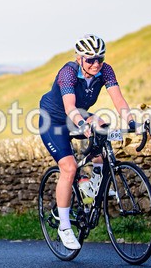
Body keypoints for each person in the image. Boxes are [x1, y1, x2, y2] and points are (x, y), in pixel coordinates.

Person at [38, 34, 136, 250]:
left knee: (102, 128)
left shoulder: (106, 71)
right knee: (69, 167)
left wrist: (131, 121)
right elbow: (69, 107)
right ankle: (64, 227)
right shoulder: (68, 73)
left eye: (100, 58)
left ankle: (94, 183)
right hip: (53, 121)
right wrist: (83, 125)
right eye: (90, 59)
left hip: (78, 116)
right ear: (79, 58)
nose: (96, 64)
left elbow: (118, 99)